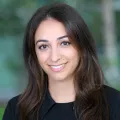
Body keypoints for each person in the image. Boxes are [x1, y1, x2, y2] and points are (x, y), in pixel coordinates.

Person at [3, 3, 120, 120]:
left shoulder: (114, 104)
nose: (54, 57)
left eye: (65, 43)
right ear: (34, 53)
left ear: (82, 46)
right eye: (43, 46)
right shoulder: (17, 110)